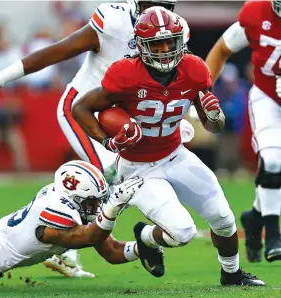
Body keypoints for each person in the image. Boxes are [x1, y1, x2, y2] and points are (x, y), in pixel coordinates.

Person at [0, 0, 194, 278]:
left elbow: (177, 80)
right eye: (150, 2)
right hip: (82, 110)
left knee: (110, 181)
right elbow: (61, 50)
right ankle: (71, 246)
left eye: (164, 5)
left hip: (121, 117)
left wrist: (182, 118)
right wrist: (4, 75)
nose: (157, 10)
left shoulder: (172, 30)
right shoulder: (114, 23)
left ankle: (71, 244)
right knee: (111, 177)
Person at [72, 7, 264, 286]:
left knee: (222, 216)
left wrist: (215, 116)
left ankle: (232, 274)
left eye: (169, 42)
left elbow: (215, 126)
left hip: (175, 155)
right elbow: (81, 108)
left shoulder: (195, 69)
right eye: (156, 44)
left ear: (180, 41)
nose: (164, 50)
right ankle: (147, 237)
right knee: (182, 231)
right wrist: (106, 141)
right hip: (138, 169)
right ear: (140, 46)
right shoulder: (125, 73)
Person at [0, 161, 145, 291]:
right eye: (91, 201)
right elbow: (90, 238)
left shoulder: (61, 197)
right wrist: (112, 207)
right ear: (75, 196)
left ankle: (60, 257)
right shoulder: (57, 210)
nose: (96, 206)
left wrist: (146, 245)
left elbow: (111, 251)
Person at [205, 0, 281, 263]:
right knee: (271, 160)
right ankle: (273, 235)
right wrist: (202, 92)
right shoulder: (255, 13)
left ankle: (254, 218)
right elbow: (222, 49)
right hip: (268, 96)